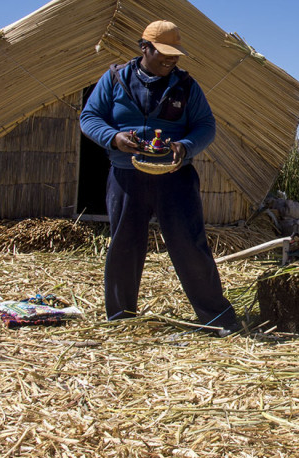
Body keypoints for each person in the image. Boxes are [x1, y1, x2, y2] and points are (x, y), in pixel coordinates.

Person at [80, 20, 241, 335]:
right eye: (163, 54)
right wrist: (113, 138)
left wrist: (185, 145)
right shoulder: (114, 79)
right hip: (127, 175)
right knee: (125, 245)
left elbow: (205, 125)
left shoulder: (186, 85)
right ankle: (121, 319)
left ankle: (216, 318)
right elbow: (89, 117)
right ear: (144, 48)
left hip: (175, 177)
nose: (171, 60)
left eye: (175, 55)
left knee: (190, 244)